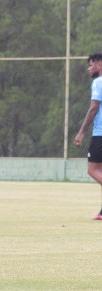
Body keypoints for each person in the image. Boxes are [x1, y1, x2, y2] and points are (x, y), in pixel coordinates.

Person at [74, 52, 102, 220]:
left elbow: (93, 108)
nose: (88, 68)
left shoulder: (98, 82)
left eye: (91, 64)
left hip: (100, 134)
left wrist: (82, 131)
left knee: (93, 170)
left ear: (99, 65)